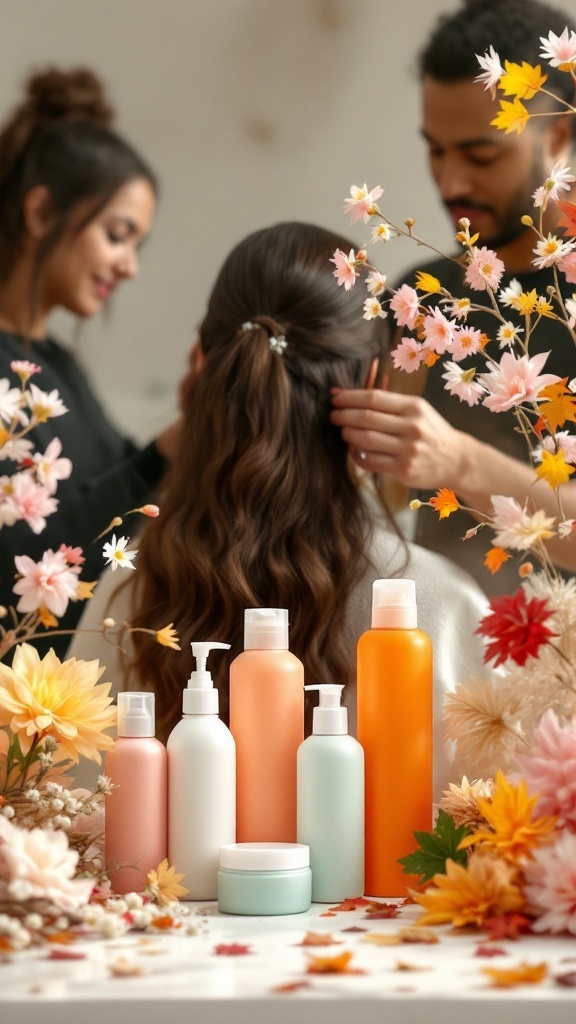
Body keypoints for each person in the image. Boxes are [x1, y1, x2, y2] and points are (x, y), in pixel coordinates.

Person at [69, 221, 491, 798]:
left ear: (202, 360)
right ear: (375, 380)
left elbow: (68, 816)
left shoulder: (127, 596)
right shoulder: (441, 608)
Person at [330, 0, 576, 591]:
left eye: (480, 155)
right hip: (442, 666)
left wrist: (461, 462)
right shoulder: (421, 302)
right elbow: (373, 517)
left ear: (559, 138)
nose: (449, 183)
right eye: (435, 150)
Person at [0, 67, 181, 655]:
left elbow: (114, 478)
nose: (129, 265)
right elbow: (27, 559)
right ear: (41, 213)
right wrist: (165, 451)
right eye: (117, 234)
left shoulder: (53, 364)